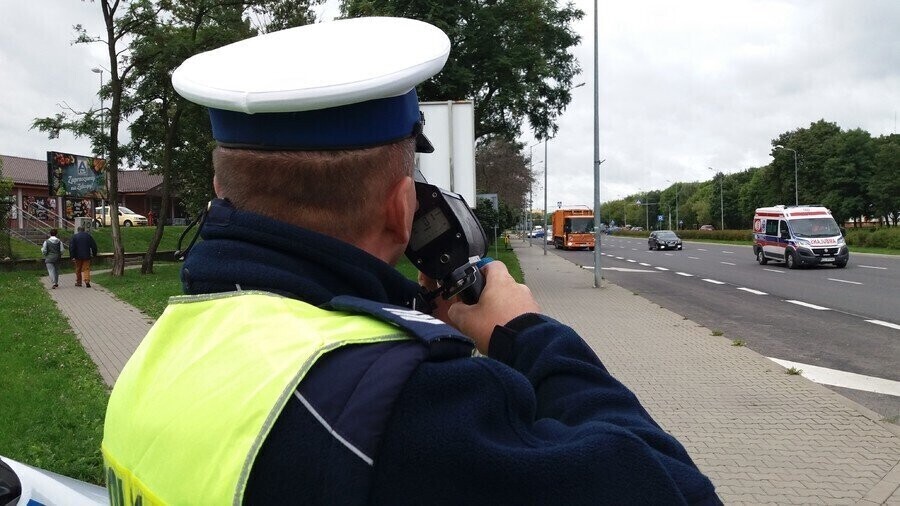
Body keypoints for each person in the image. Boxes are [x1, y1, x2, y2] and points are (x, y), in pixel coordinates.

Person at [102, 17, 720, 505]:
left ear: (219, 190)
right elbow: (676, 489)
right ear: (403, 209)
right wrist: (528, 336)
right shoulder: (406, 406)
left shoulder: (157, 357)